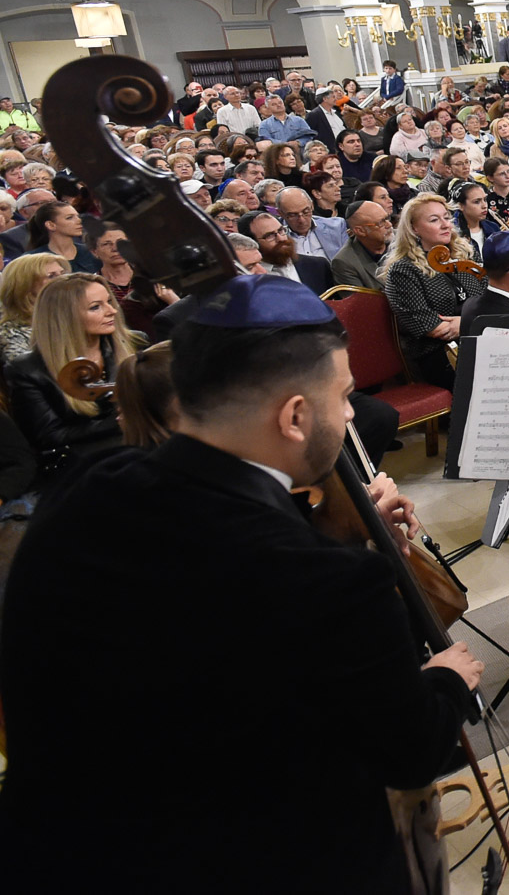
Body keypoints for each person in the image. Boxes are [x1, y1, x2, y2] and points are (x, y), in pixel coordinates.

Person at [0, 273, 482, 889]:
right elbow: (409, 750)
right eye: (343, 397)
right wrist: (444, 680)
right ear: (295, 416)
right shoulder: (334, 582)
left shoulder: (86, 491)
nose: (348, 415)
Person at [4, 271, 136, 488]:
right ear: (64, 317)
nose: (112, 311)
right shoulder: (27, 369)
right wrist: (116, 423)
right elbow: (48, 436)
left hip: (136, 448)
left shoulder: (136, 343)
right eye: (96, 307)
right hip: (81, 466)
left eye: (109, 302)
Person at [378, 194, 483, 389]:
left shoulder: (466, 253)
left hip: (479, 338)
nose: (445, 225)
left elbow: (491, 300)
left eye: (446, 217)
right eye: (435, 220)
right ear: (414, 228)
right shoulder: (403, 270)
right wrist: (477, 321)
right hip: (439, 353)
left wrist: (465, 323)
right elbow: (433, 328)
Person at [0, 252, 68, 363]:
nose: (65, 280)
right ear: (26, 285)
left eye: (63, 273)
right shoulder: (11, 333)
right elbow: (25, 371)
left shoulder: (72, 318)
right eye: (52, 276)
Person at [330, 199, 393, 290]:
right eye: (381, 222)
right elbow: (362, 302)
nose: (389, 225)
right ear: (360, 231)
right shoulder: (344, 262)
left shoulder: (405, 239)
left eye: (387, 218)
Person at [25, 199, 99, 273]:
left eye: (78, 216)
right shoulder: (32, 260)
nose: (79, 220)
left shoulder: (92, 252)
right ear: (51, 225)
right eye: (69, 217)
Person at [279, 186, 348, 260]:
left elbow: (348, 260)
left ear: (312, 206)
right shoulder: (276, 236)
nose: (301, 220)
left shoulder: (336, 226)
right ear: (280, 213)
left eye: (306, 212)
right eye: (293, 215)